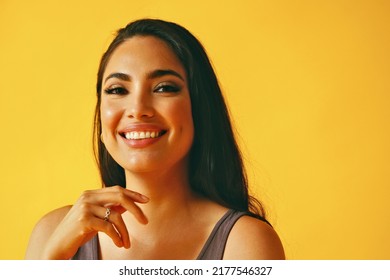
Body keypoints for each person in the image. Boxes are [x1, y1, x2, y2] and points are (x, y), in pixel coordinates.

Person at [25, 19, 285, 260]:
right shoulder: (52, 232)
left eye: (164, 88)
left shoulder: (245, 242)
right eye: (117, 90)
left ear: (199, 109)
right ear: (102, 122)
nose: (138, 108)